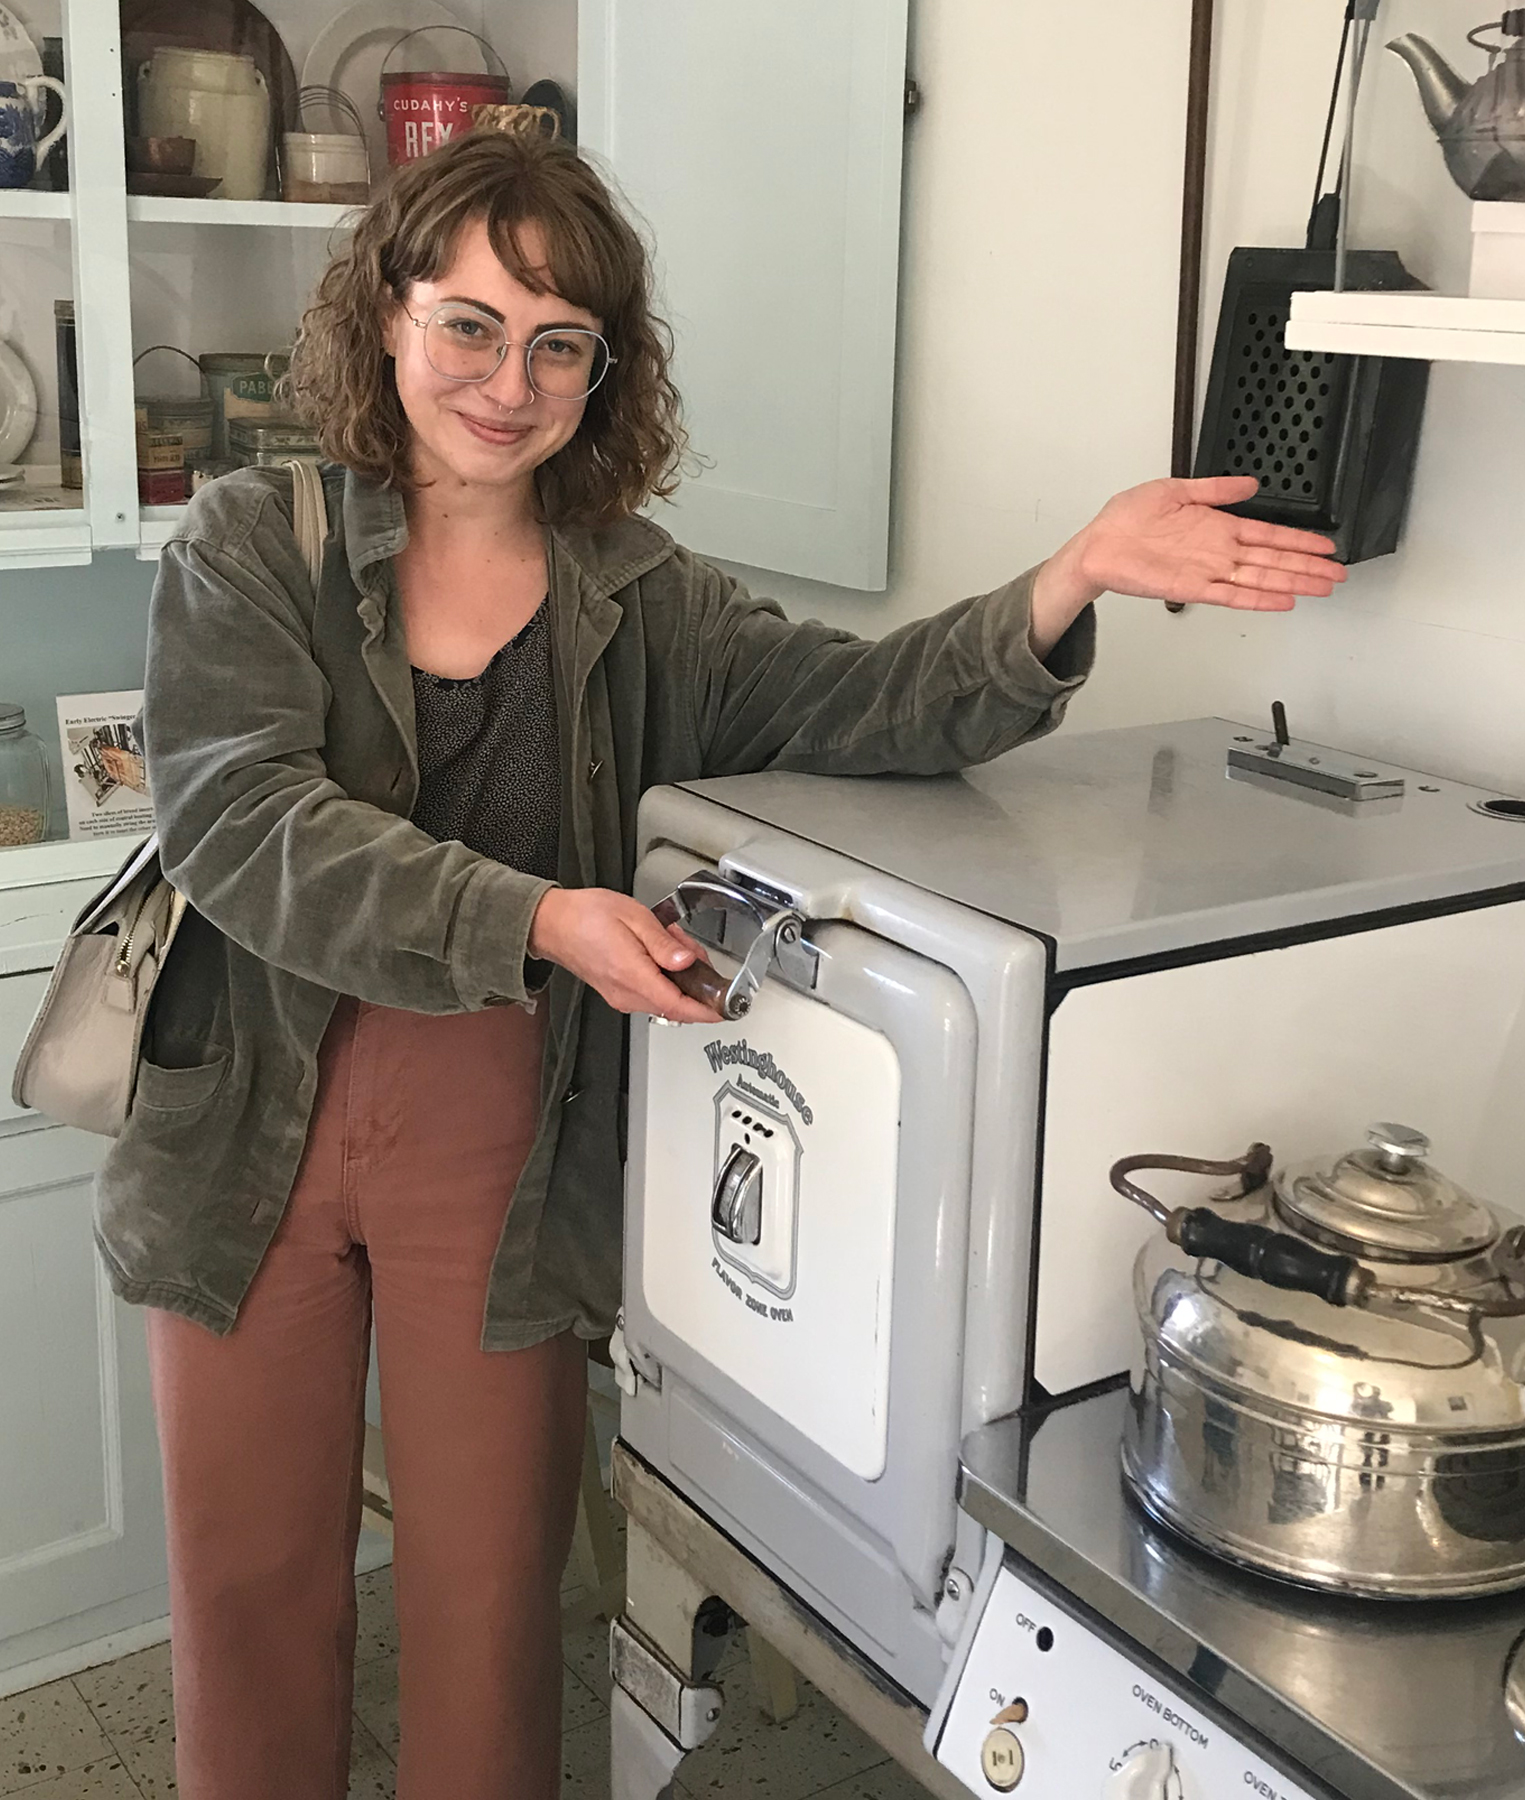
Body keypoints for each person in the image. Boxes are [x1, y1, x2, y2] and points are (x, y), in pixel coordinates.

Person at [106, 129, 1344, 1800]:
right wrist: (540, 917)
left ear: (602, 372)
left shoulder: (642, 601)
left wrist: (1071, 577)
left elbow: (868, 706)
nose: (506, 379)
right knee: (248, 1582)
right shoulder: (258, 540)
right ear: (386, 316)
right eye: (467, 323)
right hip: (252, 1097)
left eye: (559, 343)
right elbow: (242, 822)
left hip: (506, 1128)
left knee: (490, 1593)